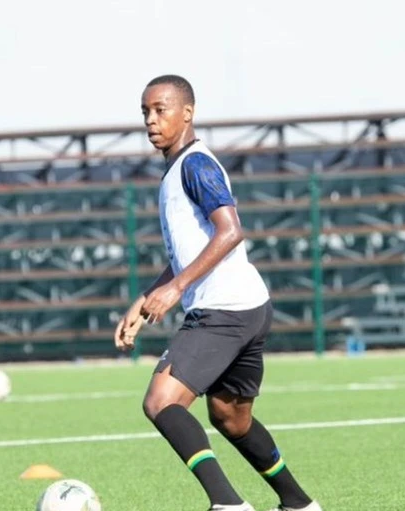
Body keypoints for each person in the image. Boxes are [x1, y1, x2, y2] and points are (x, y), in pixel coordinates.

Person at [114, 74, 321, 511]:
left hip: (223, 311)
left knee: (160, 401)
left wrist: (177, 288)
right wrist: (145, 298)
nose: (151, 120)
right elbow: (189, 251)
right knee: (231, 417)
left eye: (160, 109)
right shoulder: (176, 171)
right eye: (145, 112)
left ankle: (228, 505)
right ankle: (299, 504)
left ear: (187, 113)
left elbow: (230, 232)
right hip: (248, 307)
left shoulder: (196, 164)